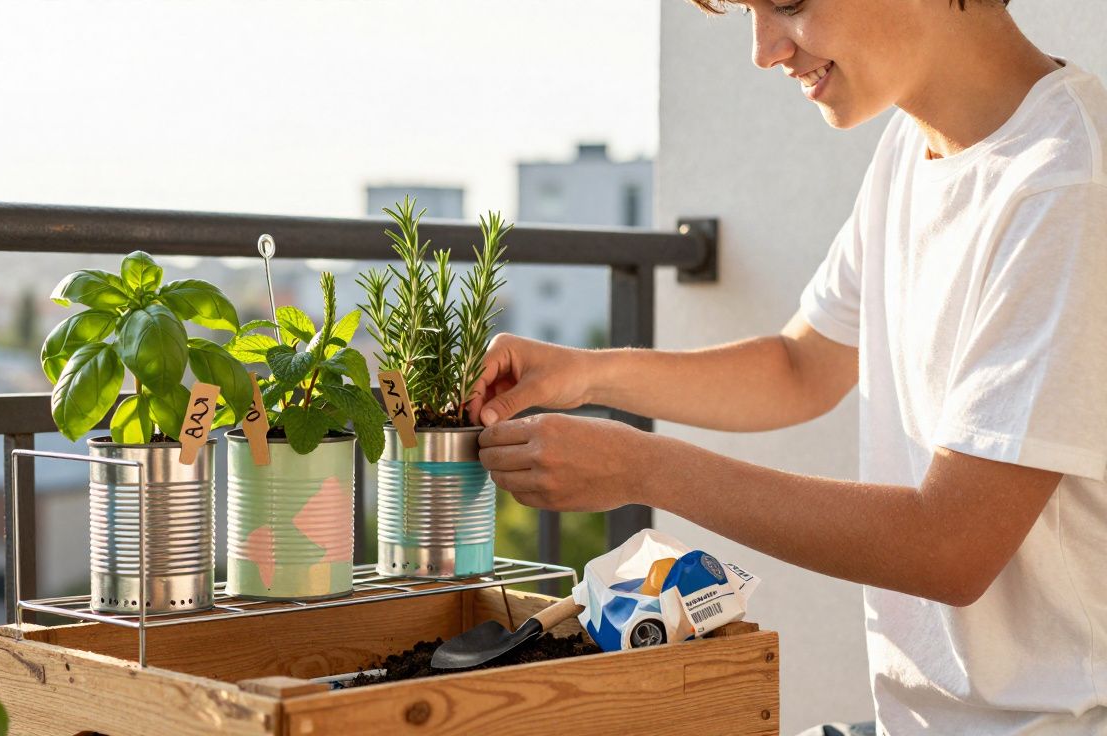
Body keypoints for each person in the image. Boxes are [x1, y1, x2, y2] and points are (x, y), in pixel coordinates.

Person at [469, 0, 1107, 733]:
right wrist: (586, 373)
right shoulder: (912, 148)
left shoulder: (1066, 184)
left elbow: (952, 544)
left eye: (790, 5)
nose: (765, 50)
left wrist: (644, 470)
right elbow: (800, 366)